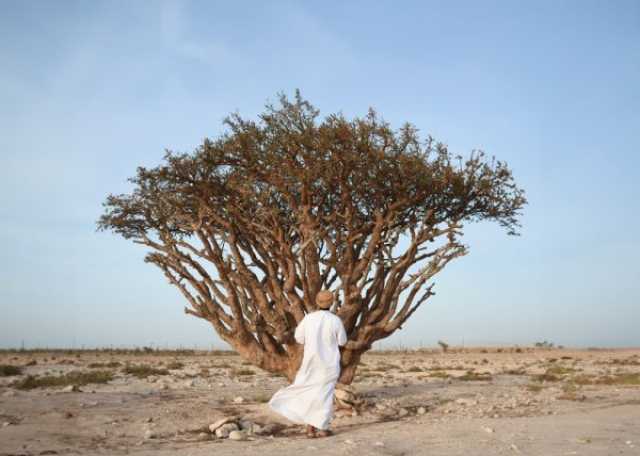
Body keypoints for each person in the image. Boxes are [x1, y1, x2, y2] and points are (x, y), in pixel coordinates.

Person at [268, 290, 348, 438]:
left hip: (310, 363)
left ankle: (310, 429)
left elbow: (299, 338)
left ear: (317, 302)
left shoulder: (308, 319)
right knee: (324, 394)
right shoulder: (335, 320)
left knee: (308, 392)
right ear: (331, 303)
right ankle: (322, 428)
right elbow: (342, 341)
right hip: (329, 364)